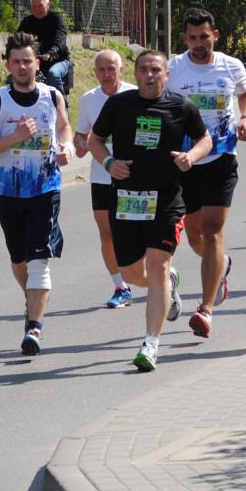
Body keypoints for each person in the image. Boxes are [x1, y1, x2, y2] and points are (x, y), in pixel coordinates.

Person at [89, 49, 210, 371]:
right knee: (131, 274)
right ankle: (169, 282)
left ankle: (151, 343)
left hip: (166, 200)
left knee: (156, 266)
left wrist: (191, 157)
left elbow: (205, 140)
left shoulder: (181, 107)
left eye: (156, 70)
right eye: (143, 69)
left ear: (166, 74)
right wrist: (109, 163)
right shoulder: (119, 105)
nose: (149, 75)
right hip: (126, 200)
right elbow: (94, 140)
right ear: (136, 74)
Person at [0, 31, 72, 356]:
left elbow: (64, 127)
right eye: (16, 62)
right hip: (8, 192)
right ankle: (31, 300)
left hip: (45, 189)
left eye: (27, 61)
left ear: (37, 64)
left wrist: (66, 147)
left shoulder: (52, 96)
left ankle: (34, 327)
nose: (22, 67)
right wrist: (16, 137)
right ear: (8, 64)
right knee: (19, 260)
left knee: (38, 260)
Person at [166, 7, 246, 339]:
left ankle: (205, 309)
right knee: (195, 238)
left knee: (213, 231)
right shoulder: (174, 68)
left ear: (215, 35)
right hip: (186, 161)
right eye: (192, 38)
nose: (199, 44)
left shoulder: (231, 66)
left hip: (221, 157)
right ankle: (221, 264)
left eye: (204, 37)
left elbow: (245, 91)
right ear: (184, 38)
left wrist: (245, 118)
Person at [72, 48, 139, 308]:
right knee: (107, 235)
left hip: (134, 175)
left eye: (111, 68)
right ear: (95, 73)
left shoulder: (136, 95)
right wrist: (79, 144)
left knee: (136, 234)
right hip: (102, 176)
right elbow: (81, 133)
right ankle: (121, 287)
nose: (107, 73)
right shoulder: (89, 100)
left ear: (121, 70)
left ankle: (157, 273)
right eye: (101, 69)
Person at [17, 0, 73, 96]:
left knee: (53, 74)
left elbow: (60, 39)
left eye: (40, 6)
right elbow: (17, 39)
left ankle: (61, 103)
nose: (37, 9)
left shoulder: (56, 18)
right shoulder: (27, 21)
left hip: (59, 60)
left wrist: (51, 53)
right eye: (34, 6)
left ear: (48, 5)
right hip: (36, 62)